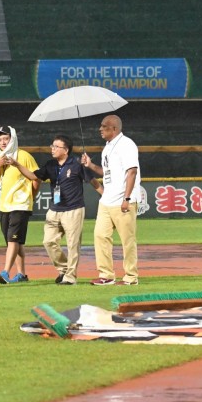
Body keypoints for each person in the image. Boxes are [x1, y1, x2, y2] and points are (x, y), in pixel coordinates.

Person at [9, 134, 102, 285]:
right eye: (52, 146)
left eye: (56, 146)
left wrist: (106, 197)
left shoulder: (77, 163)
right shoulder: (50, 165)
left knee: (73, 244)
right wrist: (16, 164)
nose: (52, 149)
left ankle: (70, 277)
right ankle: (64, 269)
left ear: (65, 150)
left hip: (73, 209)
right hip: (55, 209)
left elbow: (93, 182)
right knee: (48, 241)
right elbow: (33, 176)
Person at [81, 114, 141, 285]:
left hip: (123, 199)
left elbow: (132, 172)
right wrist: (91, 165)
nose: (100, 129)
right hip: (107, 200)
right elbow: (107, 172)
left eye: (104, 126)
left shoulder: (126, 144)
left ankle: (131, 277)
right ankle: (106, 275)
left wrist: (127, 198)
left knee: (127, 240)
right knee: (100, 236)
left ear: (114, 128)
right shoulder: (107, 147)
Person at [0, 126, 39, 284]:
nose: (3, 142)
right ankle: (22, 274)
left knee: (13, 241)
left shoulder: (24, 156)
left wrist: (30, 196)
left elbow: (36, 178)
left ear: (13, 138)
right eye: (0, 139)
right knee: (15, 243)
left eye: (6, 138)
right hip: (4, 205)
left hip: (20, 205)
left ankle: (5, 272)